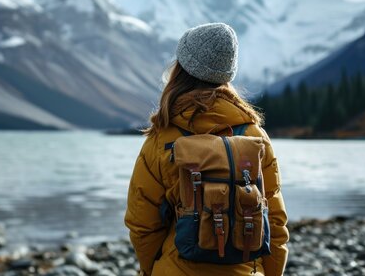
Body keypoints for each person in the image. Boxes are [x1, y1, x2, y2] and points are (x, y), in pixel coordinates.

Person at [124, 23, 289, 276]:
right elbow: (274, 223)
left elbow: (143, 225)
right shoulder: (256, 137)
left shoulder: (162, 138)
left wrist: (152, 270)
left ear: (182, 70)